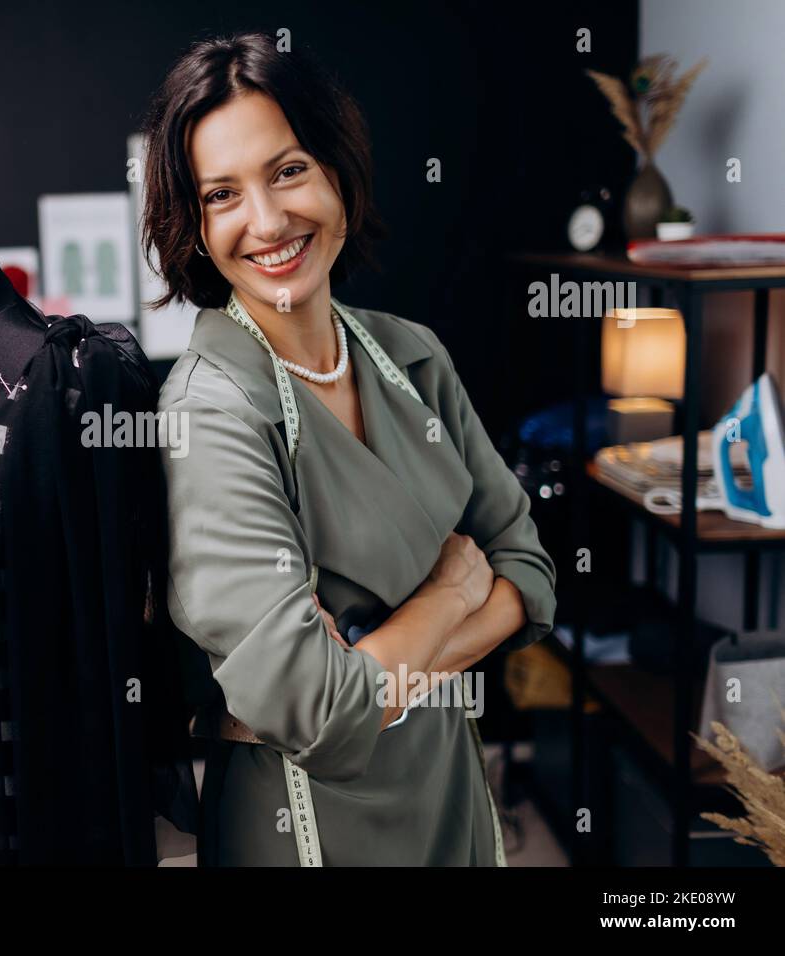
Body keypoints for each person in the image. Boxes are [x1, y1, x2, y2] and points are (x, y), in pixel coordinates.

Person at [141, 32, 557, 866]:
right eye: (223, 193)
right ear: (193, 223)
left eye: (288, 169)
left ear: (337, 172)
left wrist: (376, 669)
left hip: (450, 793)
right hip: (306, 831)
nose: (267, 221)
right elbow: (322, 717)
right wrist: (449, 593)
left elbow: (530, 573)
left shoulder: (412, 356)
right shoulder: (213, 412)